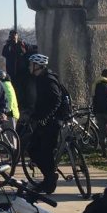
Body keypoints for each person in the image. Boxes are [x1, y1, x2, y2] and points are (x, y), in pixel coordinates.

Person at [27, 53, 64, 194]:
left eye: (31, 64)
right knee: (33, 149)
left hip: (53, 122)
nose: (29, 67)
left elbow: (56, 100)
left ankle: (49, 181)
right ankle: (49, 177)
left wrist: (47, 117)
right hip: (44, 120)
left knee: (45, 152)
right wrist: (35, 116)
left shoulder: (48, 79)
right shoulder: (40, 78)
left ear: (37, 66)